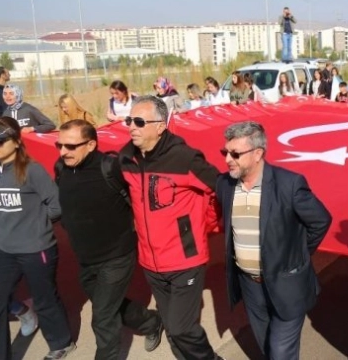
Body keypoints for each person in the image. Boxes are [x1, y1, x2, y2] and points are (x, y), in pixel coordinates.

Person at [117, 96, 224, 360]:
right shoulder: (126, 159)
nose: (132, 127)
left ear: (160, 126)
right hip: (150, 262)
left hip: (185, 260)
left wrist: (205, 224)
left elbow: (220, 188)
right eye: (129, 120)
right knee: (173, 331)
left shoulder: (185, 159)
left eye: (139, 122)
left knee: (181, 327)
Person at [216, 122, 331, 359]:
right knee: (266, 347)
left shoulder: (289, 184)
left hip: (287, 284)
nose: (227, 159)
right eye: (225, 152)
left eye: (235, 154)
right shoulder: (225, 185)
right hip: (250, 285)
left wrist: (296, 255)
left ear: (258, 153)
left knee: (280, 353)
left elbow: (320, 220)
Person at [54, 119, 164, 360]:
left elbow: (147, 195)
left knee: (103, 317)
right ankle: (151, 322)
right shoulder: (61, 168)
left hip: (117, 255)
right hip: (85, 257)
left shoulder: (112, 167)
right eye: (59, 145)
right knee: (109, 305)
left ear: (91, 144)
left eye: (70, 146)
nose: (63, 152)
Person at [0, 117, 75, 359]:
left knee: (44, 299)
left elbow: (57, 205)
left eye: (0, 141)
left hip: (36, 248)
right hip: (5, 249)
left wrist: (35, 223)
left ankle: (62, 342)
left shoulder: (32, 170)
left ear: (16, 140)